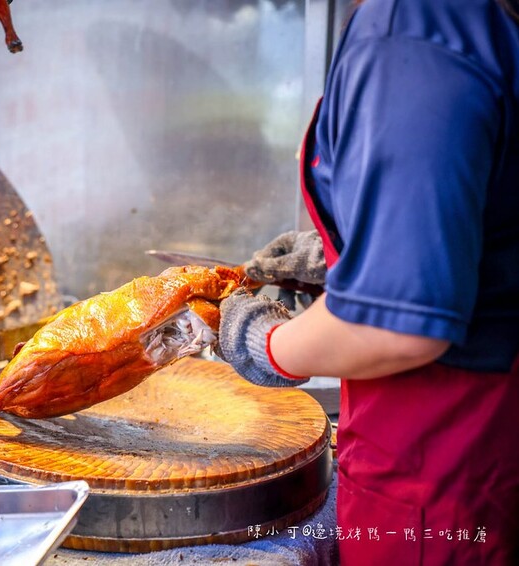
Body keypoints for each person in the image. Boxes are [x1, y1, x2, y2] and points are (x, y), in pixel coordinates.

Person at [215, 0, 519, 564]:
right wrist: (362, 253)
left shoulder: (410, 32)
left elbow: (394, 330)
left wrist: (264, 343)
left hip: (438, 468)